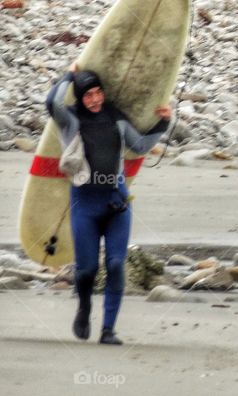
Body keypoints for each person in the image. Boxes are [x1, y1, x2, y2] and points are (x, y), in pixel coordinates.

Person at [46, 64, 171, 345]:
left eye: (98, 92)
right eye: (87, 95)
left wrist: (163, 123)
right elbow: (52, 101)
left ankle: (108, 330)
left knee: (116, 264)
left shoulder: (115, 118)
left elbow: (139, 146)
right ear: (80, 98)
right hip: (85, 203)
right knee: (87, 269)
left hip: (117, 201)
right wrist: (68, 76)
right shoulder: (71, 120)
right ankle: (84, 307)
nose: (94, 99)